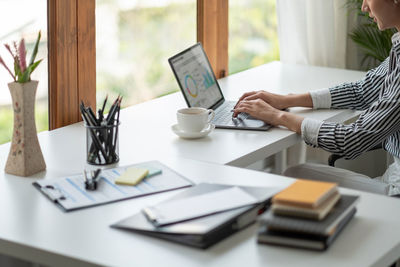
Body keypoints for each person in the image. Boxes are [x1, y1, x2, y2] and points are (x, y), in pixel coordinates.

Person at [233, 0, 400, 196]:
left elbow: (352, 139)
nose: (364, 6)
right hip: (391, 176)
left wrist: (278, 117)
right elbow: (363, 90)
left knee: (294, 176)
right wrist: (287, 100)